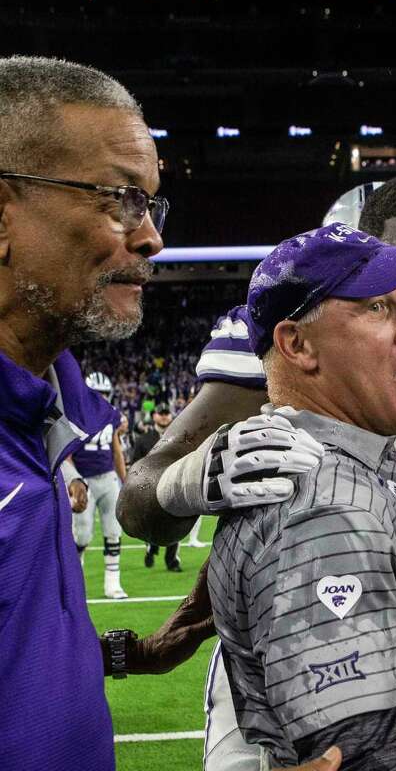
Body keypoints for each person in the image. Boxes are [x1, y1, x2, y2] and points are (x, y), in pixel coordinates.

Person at [115, 177, 396, 769]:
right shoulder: (281, 341)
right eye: (386, 289)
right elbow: (141, 505)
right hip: (294, 631)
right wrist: (182, 481)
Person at [206, 222, 396, 768]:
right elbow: (354, 756)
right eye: (377, 307)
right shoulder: (327, 512)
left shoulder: (358, 464)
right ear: (297, 344)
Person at [0, 55, 164, 770]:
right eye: (120, 199)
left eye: (153, 205)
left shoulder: (47, 412)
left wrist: (130, 656)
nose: (152, 236)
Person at [72, 370, 129, 598]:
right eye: (97, 393)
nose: (102, 398)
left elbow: (116, 449)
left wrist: (125, 479)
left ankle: (112, 584)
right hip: (84, 479)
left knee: (114, 531)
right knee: (82, 535)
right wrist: (73, 479)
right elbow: (68, 452)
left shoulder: (111, 416)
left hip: (107, 478)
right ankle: (75, 581)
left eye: (105, 393)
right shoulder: (76, 414)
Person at [130, 402, 182, 571]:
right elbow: (134, 464)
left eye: (167, 413)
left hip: (173, 485)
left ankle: (171, 561)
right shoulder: (143, 440)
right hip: (149, 489)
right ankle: (151, 548)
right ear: (154, 416)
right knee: (151, 524)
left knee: (176, 523)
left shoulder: (180, 437)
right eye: (161, 413)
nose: (164, 415)